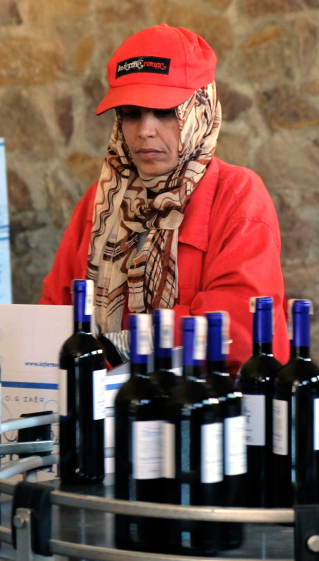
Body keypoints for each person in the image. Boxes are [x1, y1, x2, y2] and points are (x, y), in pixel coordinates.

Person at [40, 24, 289, 372]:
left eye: (166, 112)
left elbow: (240, 334)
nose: (145, 130)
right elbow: (54, 313)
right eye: (132, 113)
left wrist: (117, 344)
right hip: (108, 402)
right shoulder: (99, 202)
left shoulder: (237, 197)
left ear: (199, 111)